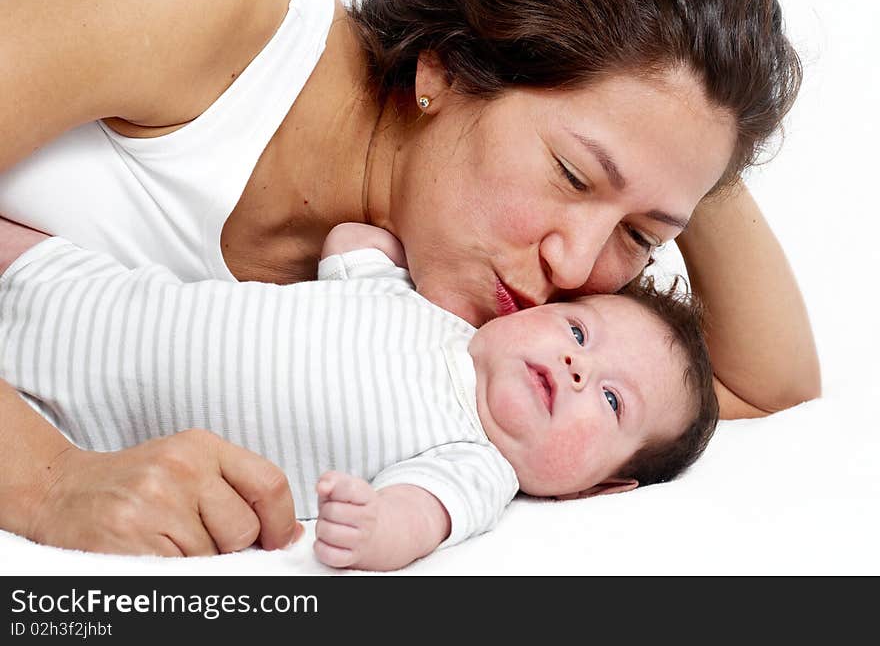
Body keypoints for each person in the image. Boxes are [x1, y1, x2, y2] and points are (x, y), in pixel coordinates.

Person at [0, 0, 819, 555]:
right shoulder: (207, 19)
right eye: (571, 174)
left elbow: (765, 383)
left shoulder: (458, 328)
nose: (574, 263)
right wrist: (49, 484)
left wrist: (687, 125)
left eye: (640, 234)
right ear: (445, 69)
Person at [0, 222, 718, 570]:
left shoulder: (478, 462)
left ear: (601, 486)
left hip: (71, 419)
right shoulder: (428, 311)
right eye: (577, 329)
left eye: (614, 402)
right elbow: (350, 245)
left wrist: (373, 529)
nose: (574, 367)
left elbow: (419, 516)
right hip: (82, 289)